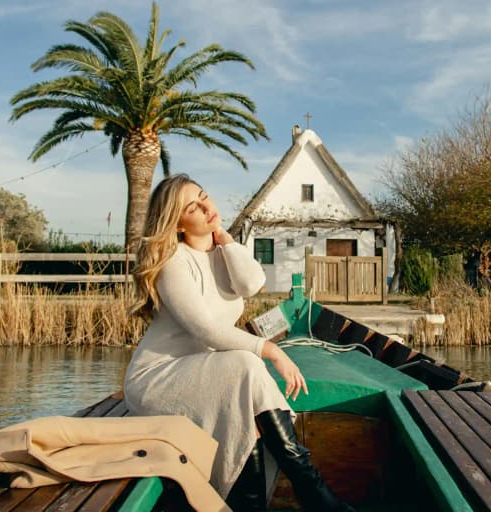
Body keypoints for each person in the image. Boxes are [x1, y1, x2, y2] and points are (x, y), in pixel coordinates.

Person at [124, 174, 353, 512]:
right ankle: (312, 489)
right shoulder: (174, 263)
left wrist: (227, 240)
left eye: (205, 197)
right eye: (193, 207)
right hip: (159, 378)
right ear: (177, 225)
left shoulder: (222, 253)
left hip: (204, 371)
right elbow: (205, 329)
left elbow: (252, 283)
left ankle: (269, 501)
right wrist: (271, 350)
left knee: (247, 407)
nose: (207, 208)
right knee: (246, 365)